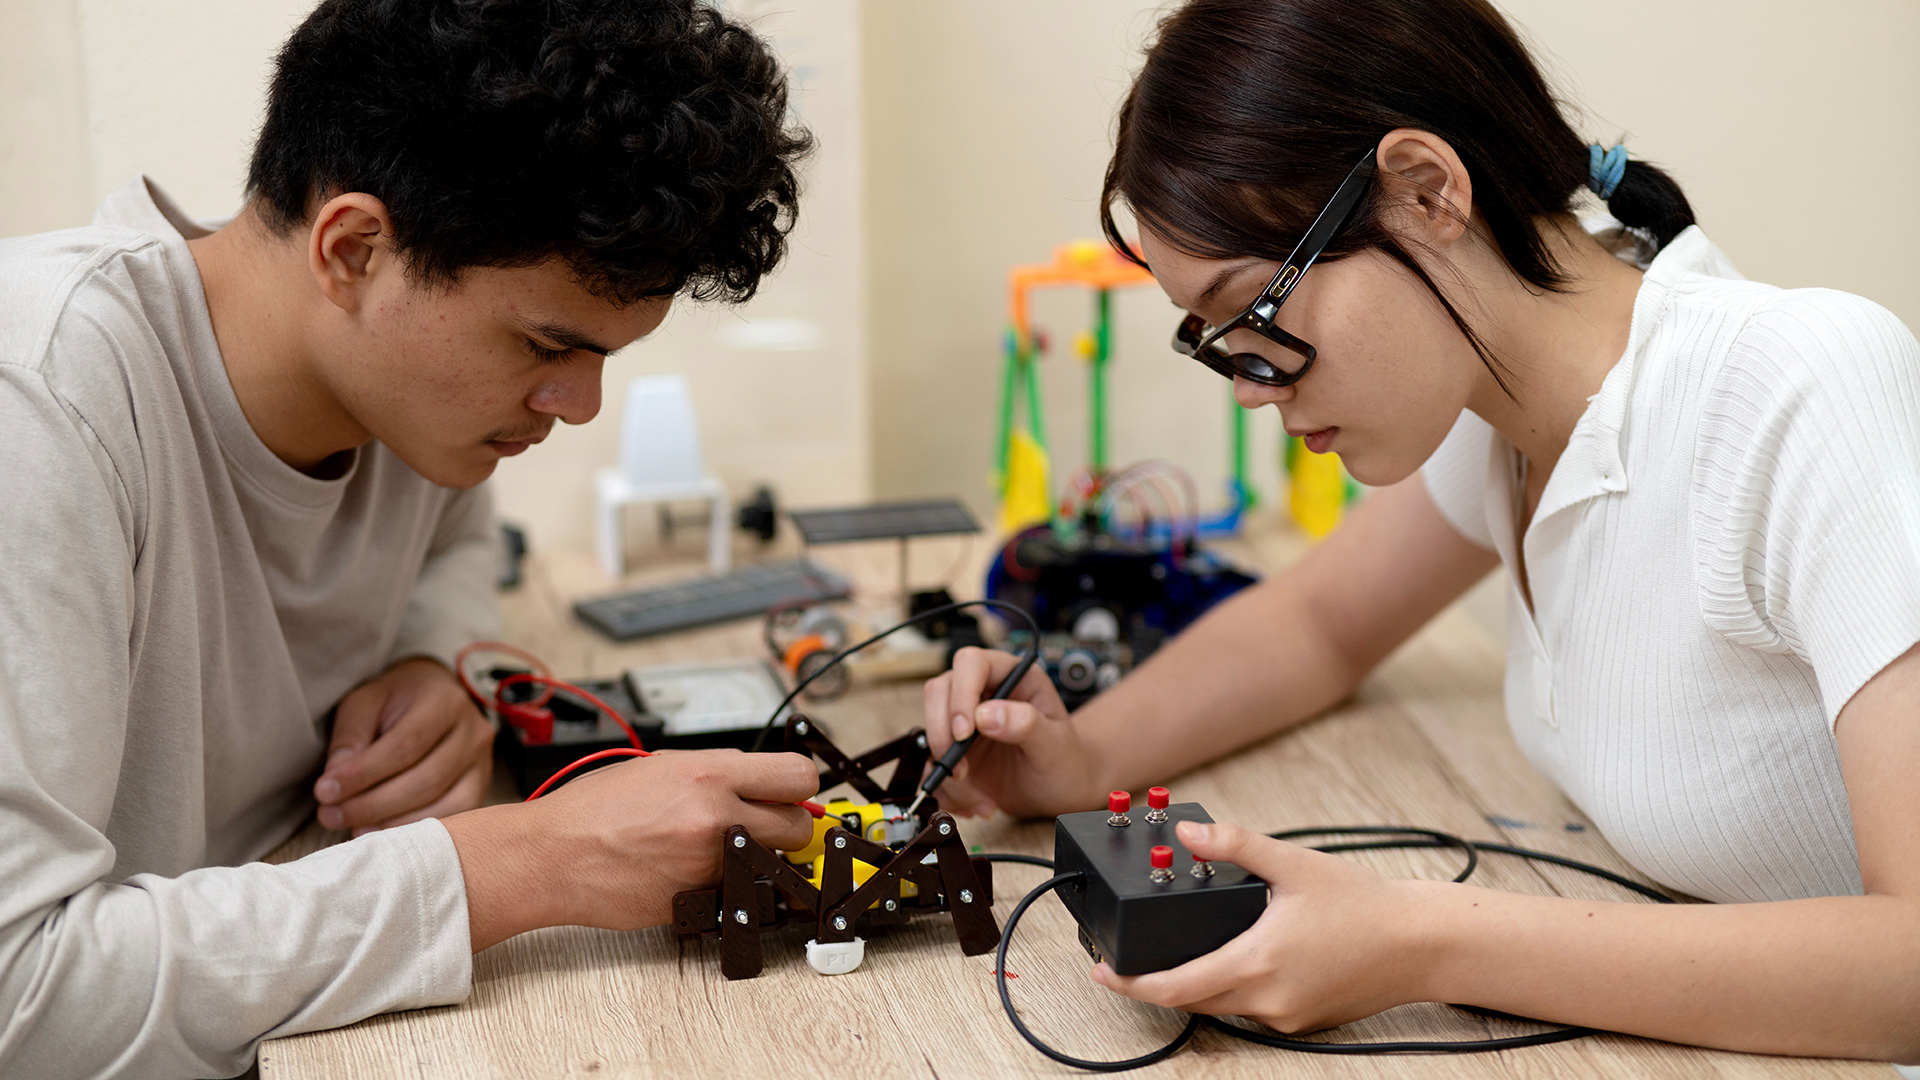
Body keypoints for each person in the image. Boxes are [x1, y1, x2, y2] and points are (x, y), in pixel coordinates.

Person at [924, 0, 1920, 1063]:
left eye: (1257, 315)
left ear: (1428, 191)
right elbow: (1321, 623)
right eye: (1216, 344)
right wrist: (1082, 761)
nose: (1251, 390)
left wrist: (1424, 940)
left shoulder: (1796, 387)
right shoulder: (1493, 405)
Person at [0, 2, 820, 1076]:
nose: (578, 407)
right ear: (353, 248)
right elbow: (24, 995)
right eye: (544, 344)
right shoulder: (45, 404)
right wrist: (528, 862)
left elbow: (461, 544)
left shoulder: (409, 409)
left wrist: (433, 653)